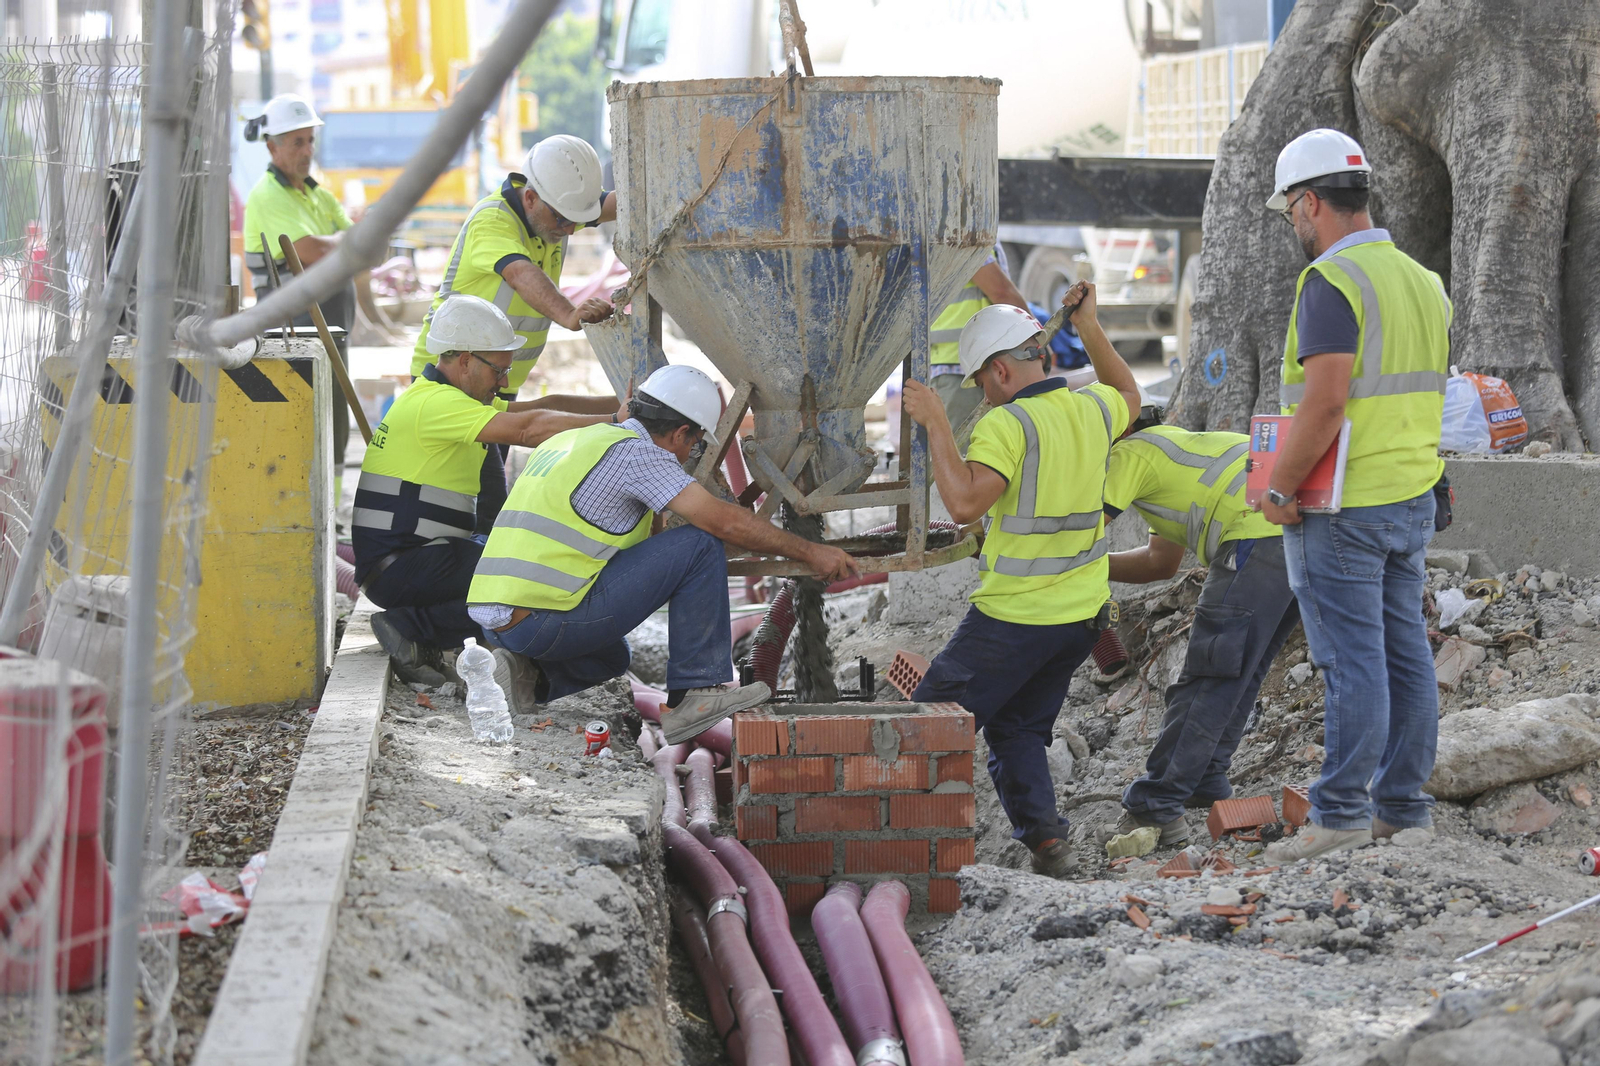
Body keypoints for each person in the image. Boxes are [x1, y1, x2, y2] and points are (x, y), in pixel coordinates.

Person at [467, 364, 859, 742]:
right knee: (699, 544)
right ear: (681, 432)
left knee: (612, 658)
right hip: (541, 622)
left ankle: (523, 673)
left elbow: (627, 542)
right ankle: (694, 694)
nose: (689, 454)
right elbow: (724, 524)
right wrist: (811, 552)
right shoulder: (639, 454)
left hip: (498, 621)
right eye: (694, 444)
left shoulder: (573, 440)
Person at [1256, 129, 1451, 864]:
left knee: (1353, 663)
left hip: (1343, 506)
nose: (1294, 229)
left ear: (1311, 204)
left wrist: (1277, 485)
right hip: (1410, 496)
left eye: (1291, 215)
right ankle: (1403, 809)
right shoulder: (1421, 281)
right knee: (1405, 658)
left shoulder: (1331, 283)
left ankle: (1338, 814)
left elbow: (1327, 401)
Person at [901, 282, 1141, 879]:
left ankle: (896, 854)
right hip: (1080, 621)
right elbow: (1130, 390)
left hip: (1015, 619)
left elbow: (962, 505)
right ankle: (1049, 845)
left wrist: (936, 422)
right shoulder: (1093, 409)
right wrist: (1088, 324)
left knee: (925, 727)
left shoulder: (1004, 427)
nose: (980, 395)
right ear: (1046, 357)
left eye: (980, 382)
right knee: (1017, 729)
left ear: (1002, 371)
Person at [355, 295, 625, 687]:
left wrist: (631, 404)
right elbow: (527, 429)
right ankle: (412, 626)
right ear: (465, 361)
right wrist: (617, 421)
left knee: (520, 565)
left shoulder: (445, 399)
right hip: (401, 568)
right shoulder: (436, 404)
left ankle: (437, 636)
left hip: (416, 560)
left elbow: (545, 405)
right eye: (499, 370)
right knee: (523, 577)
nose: (503, 381)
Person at [1094, 414, 1299, 847]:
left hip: (1254, 538)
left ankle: (1156, 804)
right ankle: (1205, 777)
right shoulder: (1177, 456)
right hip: (1294, 537)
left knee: (1209, 673)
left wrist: (1047, 556)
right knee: (1241, 671)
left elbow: (1080, 530)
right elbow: (1159, 562)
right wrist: (1093, 566)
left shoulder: (1127, 452)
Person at [412, 134, 621, 533]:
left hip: (492, 383)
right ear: (530, 199)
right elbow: (520, 273)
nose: (570, 231)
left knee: (482, 507)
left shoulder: (553, 211)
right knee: (478, 508)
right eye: (562, 220)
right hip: (451, 380)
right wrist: (569, 314)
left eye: (577, 220)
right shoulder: (493, 221)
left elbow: (609, 205)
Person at [928, 243, 1029, 434]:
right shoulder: (965, 237)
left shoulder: (949, 235)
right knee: (967, 454)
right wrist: (1037, 340)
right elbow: (1002, 292)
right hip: (965, 369)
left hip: (960, 363)